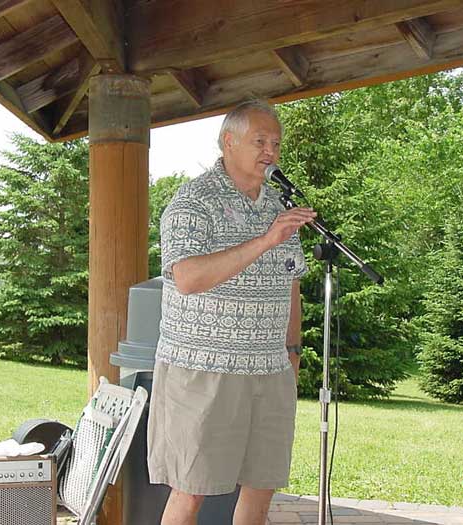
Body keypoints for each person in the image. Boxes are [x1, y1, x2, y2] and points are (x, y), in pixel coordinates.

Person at [147, 100, 316, 525]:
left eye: (276, 143)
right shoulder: (192, 201)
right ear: (228, 142)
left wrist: (292, 351)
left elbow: (291, 284)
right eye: (260, 141)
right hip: (204, 370)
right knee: (191, 488)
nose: (271, 151)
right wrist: (265, 241)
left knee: (262, 484)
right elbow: (187, 277)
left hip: (269, 370)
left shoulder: (279, 207)